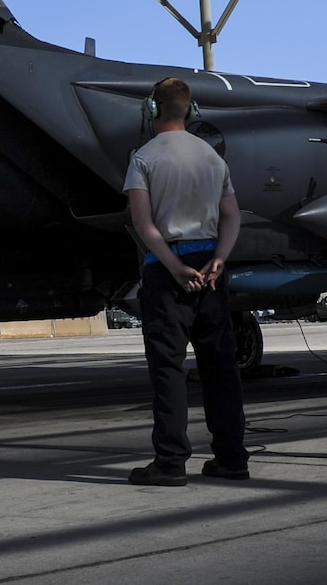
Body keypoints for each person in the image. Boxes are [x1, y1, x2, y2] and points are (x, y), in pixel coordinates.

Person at [123, 76, 248, 486]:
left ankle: (171, 462)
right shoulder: (213, 157)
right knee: (220, 367)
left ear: (152, 110)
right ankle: (231, 458)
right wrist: (219, 260)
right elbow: (233, 216)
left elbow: (144, 224)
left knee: (169, 369)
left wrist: (174, 268)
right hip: (211, 268)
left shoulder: (144, 157)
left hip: (168, 269)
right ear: (191, 112)